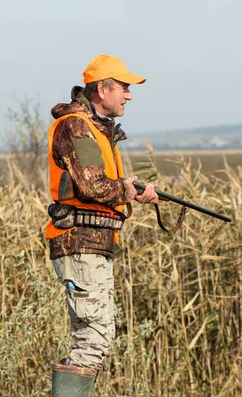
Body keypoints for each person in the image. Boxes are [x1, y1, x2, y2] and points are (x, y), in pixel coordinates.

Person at [46, 54, 159, 396]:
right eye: (124, 87)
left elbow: (97, 182)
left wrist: (132, 190)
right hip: (81, 245)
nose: (129, 95)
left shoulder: (94, 129)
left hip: (91, 245)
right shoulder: (78, 127)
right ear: (102, 89)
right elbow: (94, 187)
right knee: (95, 339)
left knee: (93, 337)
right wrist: (126, 189)